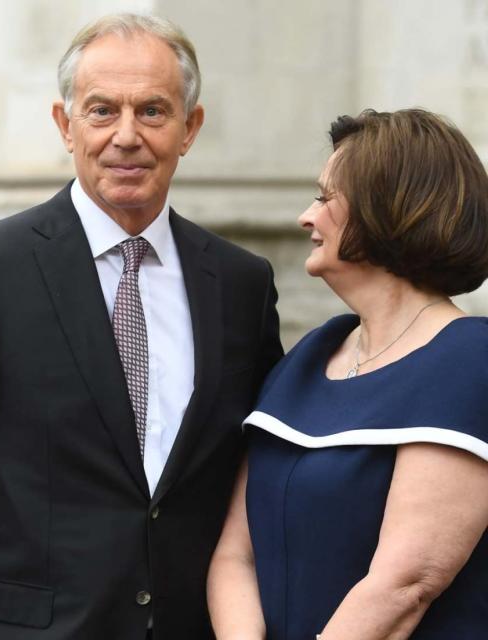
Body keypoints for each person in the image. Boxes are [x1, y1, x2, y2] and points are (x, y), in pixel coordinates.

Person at [0, 13, 282, 640]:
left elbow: (255, 486)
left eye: (153, 111)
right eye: (101, 111)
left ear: (190, 128)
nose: (126, 135)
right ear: (65, 124)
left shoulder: (241, 284)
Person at [207, 109, 488, 639]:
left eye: (324, 198)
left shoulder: (470, 360)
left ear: (389, 206)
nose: (305, 218)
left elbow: (406, 583)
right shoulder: (311, 355)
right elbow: (235, 555)